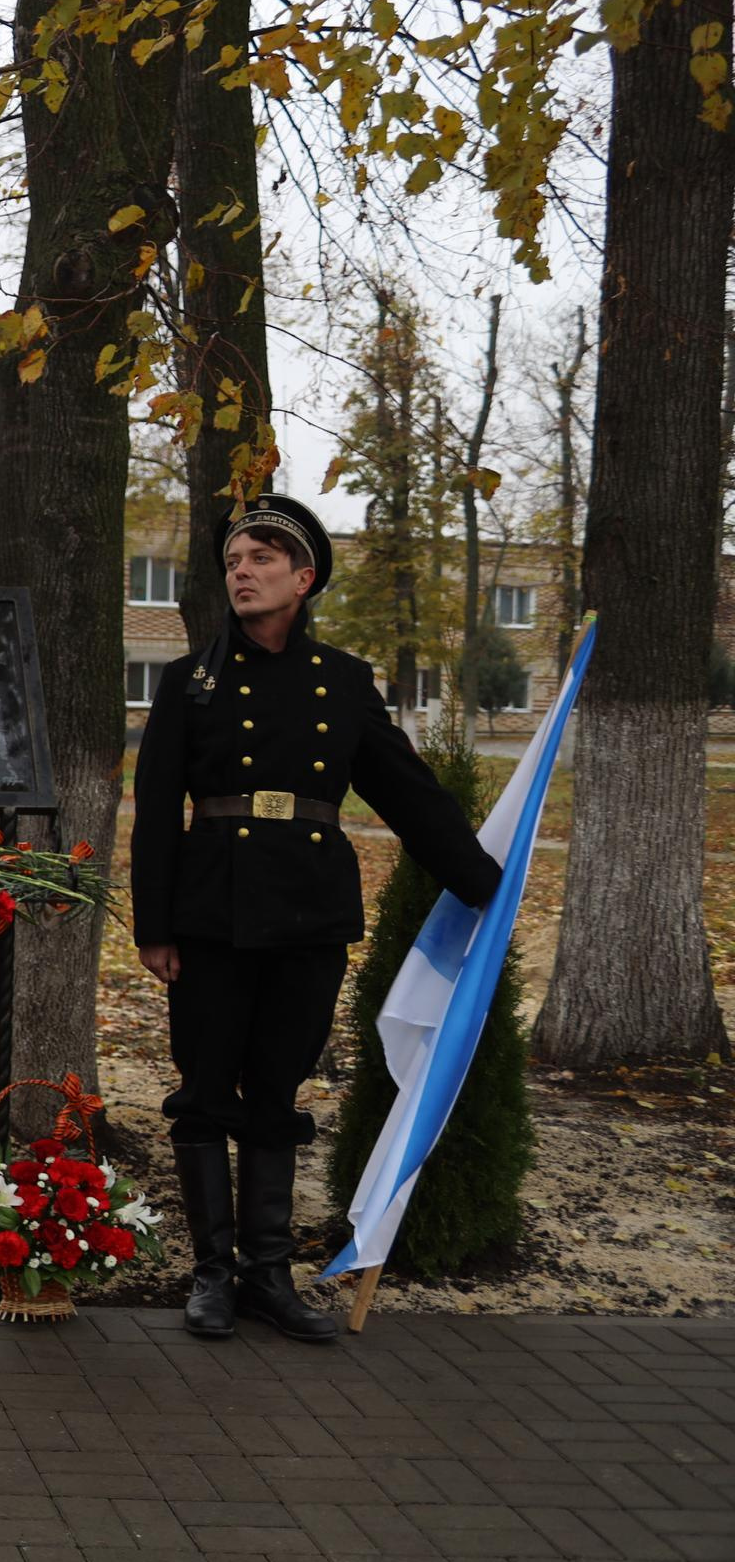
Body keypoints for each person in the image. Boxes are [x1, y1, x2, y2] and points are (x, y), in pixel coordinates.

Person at [131, 494, 499, 1344]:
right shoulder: (191, 681)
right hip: (211, 913)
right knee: (203, 1090)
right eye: (233, 561)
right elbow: (154, 812)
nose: (243, 572)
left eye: (261, 558)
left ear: (303, 578)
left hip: (307, 912)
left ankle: (267, 1272)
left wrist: (483, 881)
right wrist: (156, 926)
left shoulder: (342, 679)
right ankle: (212, 1273)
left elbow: (405, 789)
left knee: (277, 1087)